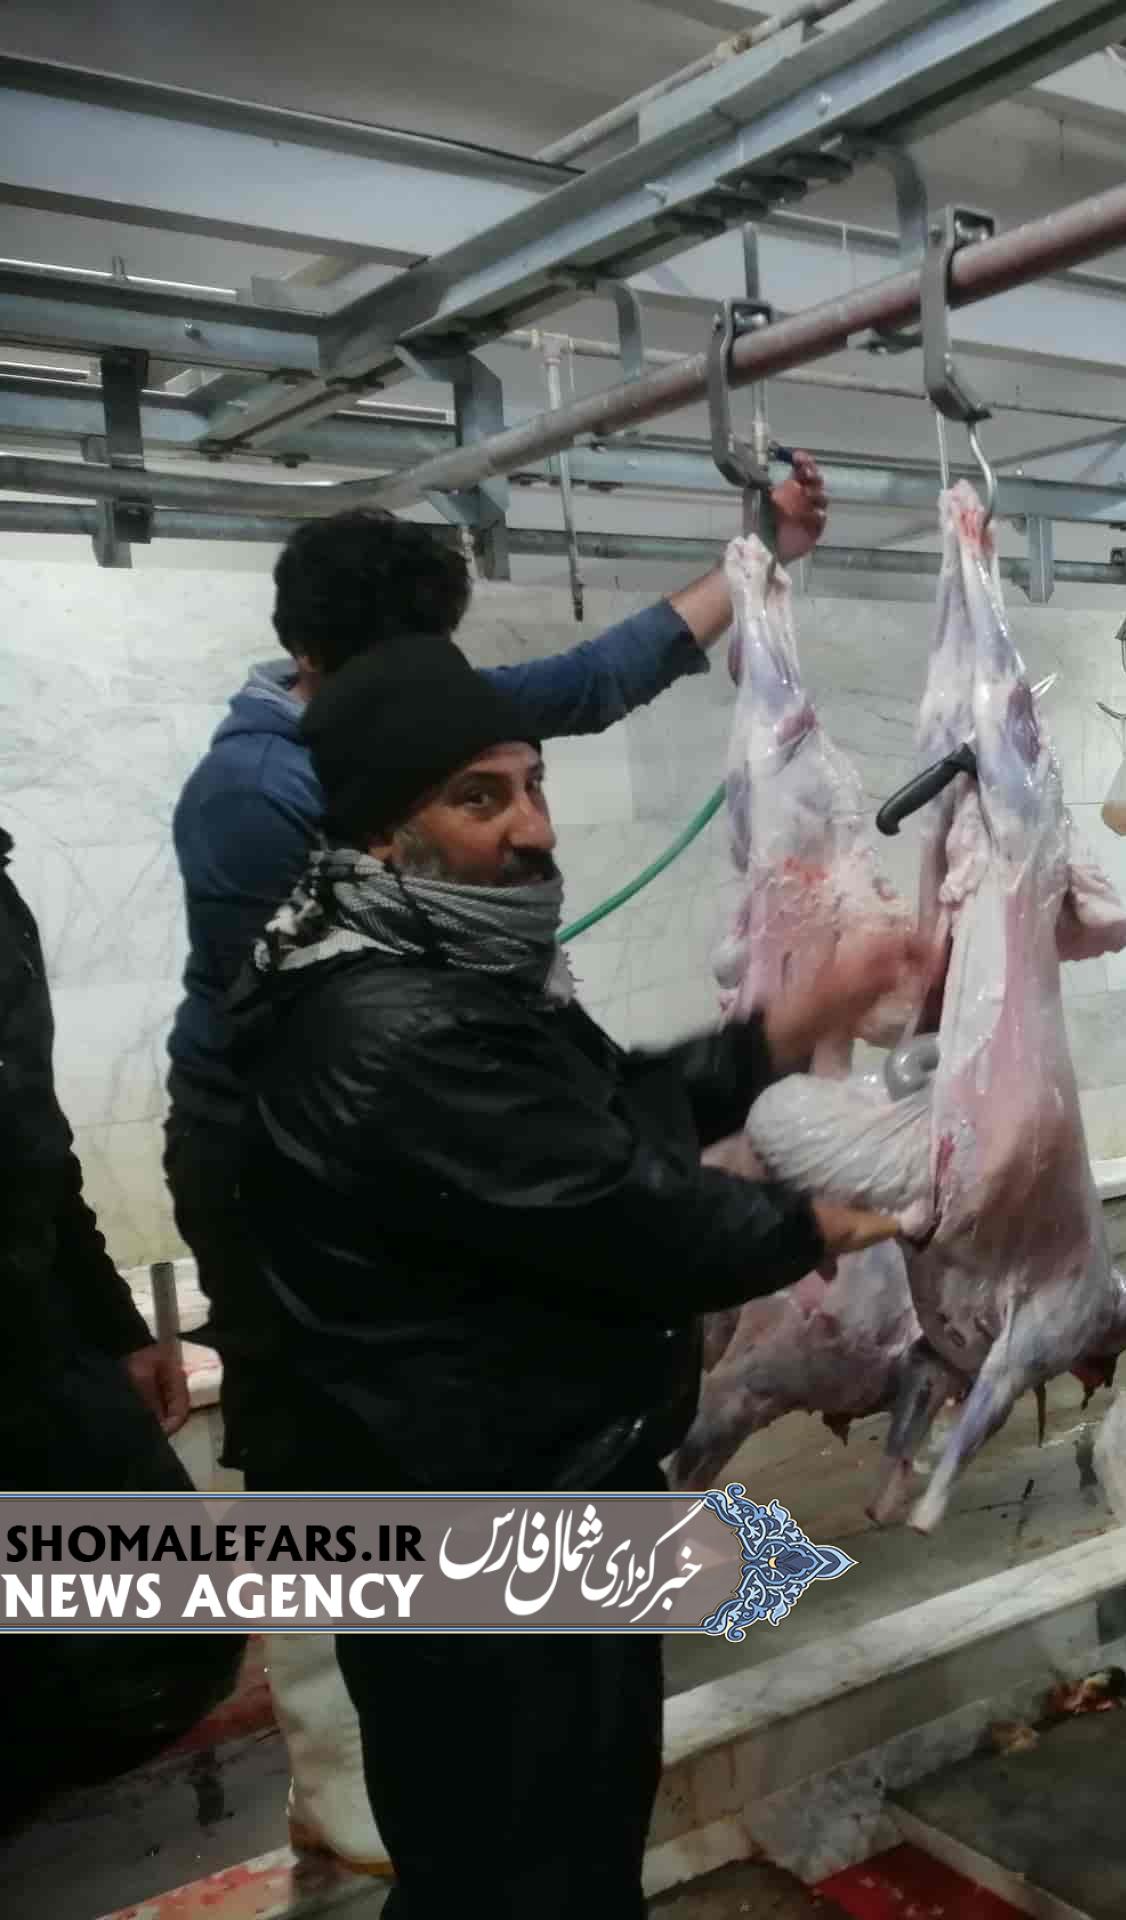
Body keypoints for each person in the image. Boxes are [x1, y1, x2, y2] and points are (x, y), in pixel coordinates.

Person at [225, 632, 905, 1919]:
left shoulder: (452, 974)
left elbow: (610, 1115)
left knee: (550, 1850)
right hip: (476, 1525)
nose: (533, 828)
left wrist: (788, 1030)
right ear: (381, 835)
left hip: (527, 1487)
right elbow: (609, 1205)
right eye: (478, 797)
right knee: (527, 1869)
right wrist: (816, 1223)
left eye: (533, 785)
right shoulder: (392, 1025)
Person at [164, 455, 828, 1482]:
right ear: (311, 658)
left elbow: (593, 680)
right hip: (269, 1142)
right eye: (481, 798)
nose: (530, 825)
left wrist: (758, 557)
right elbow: (332, 1035)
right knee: (354, 1401)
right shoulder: (253, 794)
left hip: (421, 1085)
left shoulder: (418, 703)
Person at [1, 822, 245, 1824]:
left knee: (170, 1637)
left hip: (37, 1329)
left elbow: (34, 1142)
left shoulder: (0, 901)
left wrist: (119, 1330)